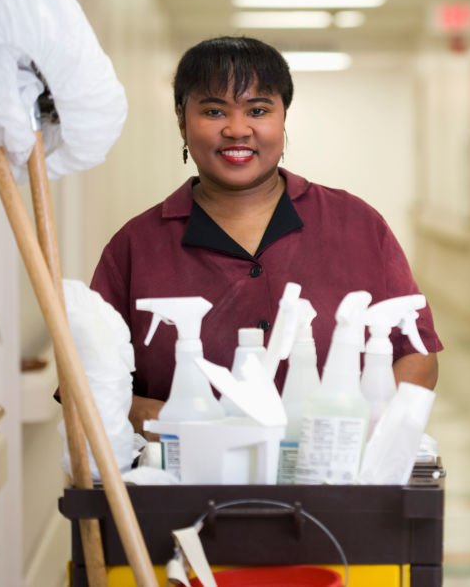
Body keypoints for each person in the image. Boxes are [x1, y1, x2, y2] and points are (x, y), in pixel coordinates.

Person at [89, 36, 442, 437]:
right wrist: (185, 427)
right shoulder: (136, 246)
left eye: (258, 110)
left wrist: (353, 431)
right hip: (180, 484)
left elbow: (418, 355)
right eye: (213, 110)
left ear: (283, 117)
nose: (237, 129)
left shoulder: (356, 224)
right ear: (181, 120)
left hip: (337, 480)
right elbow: (90, 386)